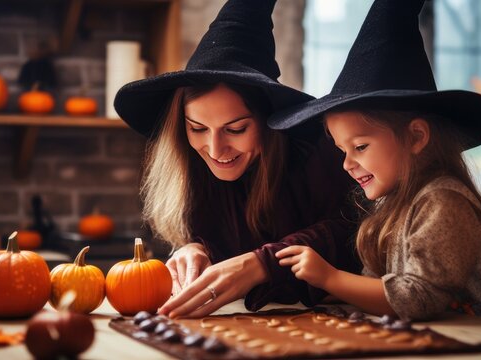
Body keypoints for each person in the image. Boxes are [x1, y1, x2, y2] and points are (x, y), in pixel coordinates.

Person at [269, 0, 481, 326]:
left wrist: (329, 278)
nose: (347, 164)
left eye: (359, 146)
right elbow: (380, 291)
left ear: (416, 137)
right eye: (342, 150)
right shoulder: (390, 204)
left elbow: (416, 300)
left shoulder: (444, 201)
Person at [114, 0, 359, 318]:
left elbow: (353, 232)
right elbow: (210, 244)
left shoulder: (317, 154)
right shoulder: (192, 165)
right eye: (198, 128)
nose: (215, 149)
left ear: (269, 121)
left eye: (236, 129)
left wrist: (265, 262)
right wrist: (192, 248)